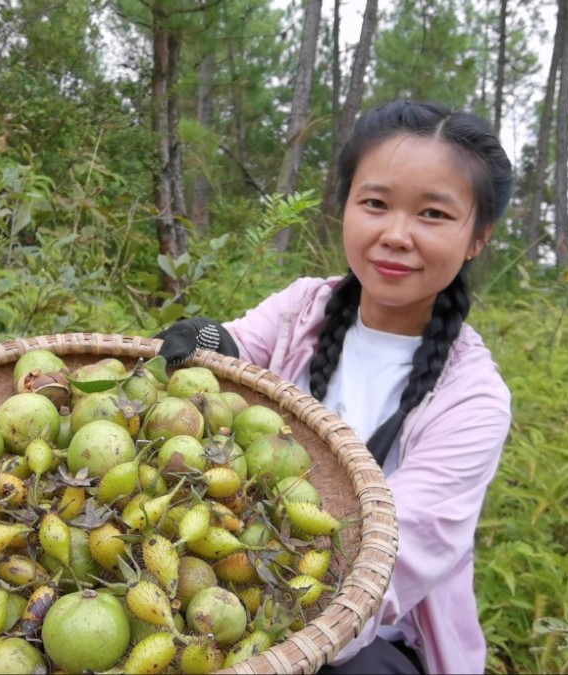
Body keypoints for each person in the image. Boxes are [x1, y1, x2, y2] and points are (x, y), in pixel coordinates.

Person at [155, 99, 514, 675]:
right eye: (375, 203)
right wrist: (200, 337)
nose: (396, 235)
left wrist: (262, 631)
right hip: (226, 574)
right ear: (345, 207)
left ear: (478, 237)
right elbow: (236, 347)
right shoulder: (305, 307)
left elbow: (386, 562)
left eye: (433, 215)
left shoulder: (472, 399)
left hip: (365, 636)